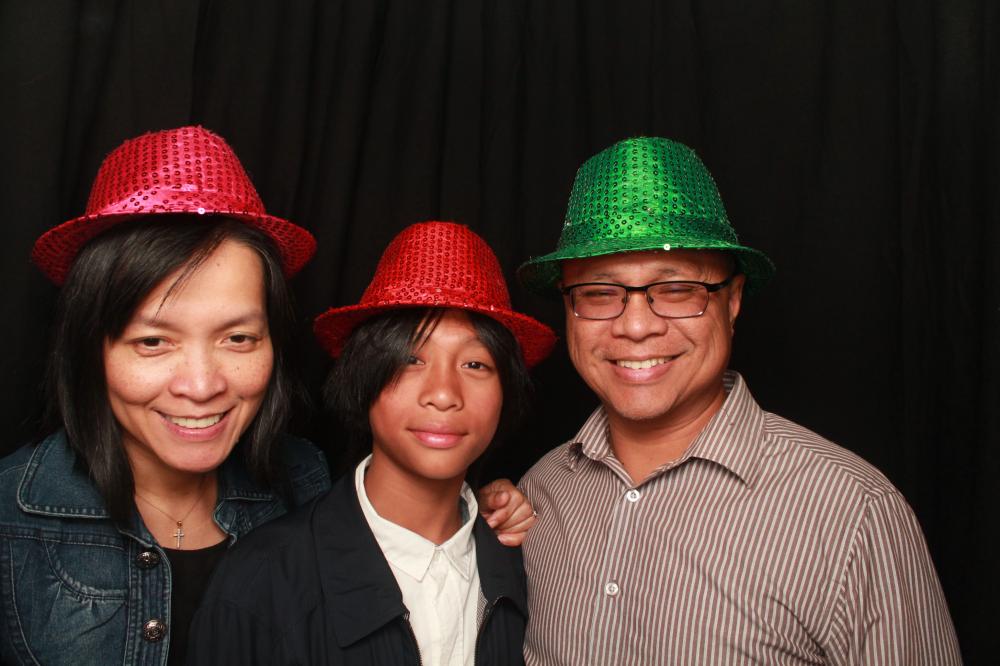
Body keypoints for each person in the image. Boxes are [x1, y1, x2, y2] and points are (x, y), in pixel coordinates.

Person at [513, 137, 962, 664]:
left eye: (677, 289)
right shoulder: (538, 496)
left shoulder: (854, 514)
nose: (635, 326)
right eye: (598, 292)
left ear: (733, 301)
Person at [188, 221, 556, 665]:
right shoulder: (261, 578)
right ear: (363, 378)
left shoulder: (533, 564)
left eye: (475, 364)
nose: (443, 394)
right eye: (410, 359)